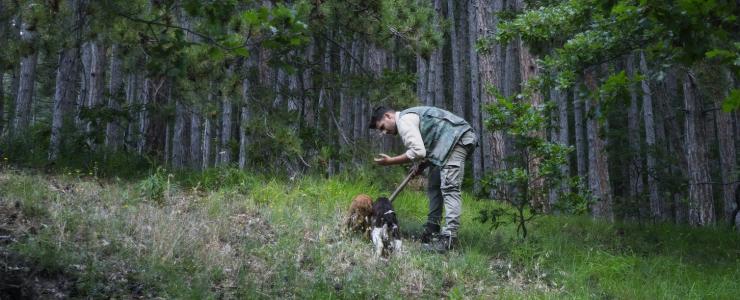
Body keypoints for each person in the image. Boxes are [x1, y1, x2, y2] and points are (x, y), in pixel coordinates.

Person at [369, 105, 477, 253]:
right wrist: (421, 166)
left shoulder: (404, 121)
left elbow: (418, 151)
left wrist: (391, 161)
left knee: (449, 188)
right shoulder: (407, 119)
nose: (384, 132)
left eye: (382, 127)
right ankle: (432, 231)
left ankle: (448, 239)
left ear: (388, 116)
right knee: (434, 185)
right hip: (446, 144)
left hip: (458, 138)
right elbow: (428, 145)